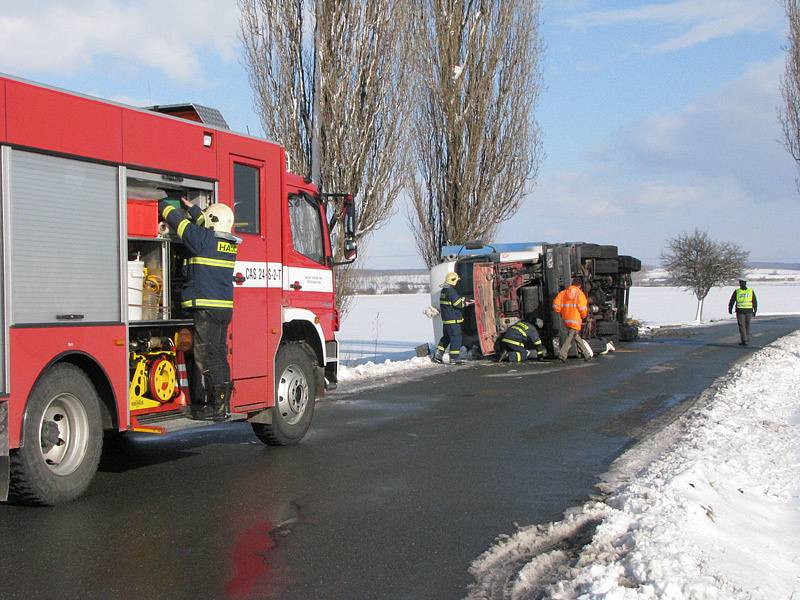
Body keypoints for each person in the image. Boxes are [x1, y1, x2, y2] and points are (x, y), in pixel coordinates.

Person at [159, 197, 240, 421]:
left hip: (206, 308)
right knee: (219, 355)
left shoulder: (202, 239)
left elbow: (179, 223)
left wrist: (164, 204)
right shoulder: (228, 243)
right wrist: (194, 209)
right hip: (223, 308)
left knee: (206, 355)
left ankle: (215, 407)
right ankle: (222, 405)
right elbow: (206, 224)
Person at [433, 272, 472, 365]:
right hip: (453, 320)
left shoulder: (444, 290)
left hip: (447, 320)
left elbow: (451, 302)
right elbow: (457, 304)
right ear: (453, 281)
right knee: (456, 338)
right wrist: (466, 303)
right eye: (457, 281)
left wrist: (461, 299)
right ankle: (454, 358)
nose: (457, 283)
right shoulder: (451, 291)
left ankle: (438, 355)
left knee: (446, 338)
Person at [552, 278, 590, 362]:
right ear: (579, 286)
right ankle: (562, 354)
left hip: (566, 319)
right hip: (575, 319)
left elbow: (556, 305)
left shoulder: (563, 293)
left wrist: (560, 311)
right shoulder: (580, 294)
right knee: (570, 337)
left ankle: (586, 354)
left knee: (575, 336)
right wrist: (584, 316)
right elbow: (582, 308)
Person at [728, 279, 757, 346]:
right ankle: (747, 339)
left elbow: (732, 301)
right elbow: (754, 301)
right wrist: (755, 310)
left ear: (740, 283)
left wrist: (730, 308)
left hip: (740, 311)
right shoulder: (750, 291)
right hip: (749, 311)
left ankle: (744, 340)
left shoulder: (737, 291)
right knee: (747, 325)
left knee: (742, 326)